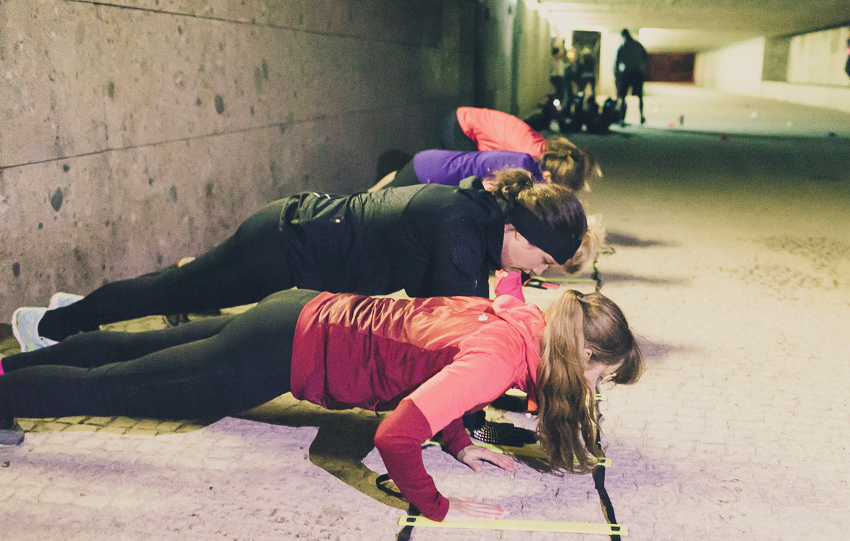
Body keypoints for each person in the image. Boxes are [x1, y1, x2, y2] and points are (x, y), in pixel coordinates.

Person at [0, 286, 644, 522]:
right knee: (121, 387)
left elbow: (441, 364)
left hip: (301, 310)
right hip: (281, 351)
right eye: (602, 374)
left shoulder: (526, 319)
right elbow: (395, 436)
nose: (595, 388)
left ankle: (9, 369)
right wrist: (438, 505)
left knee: (133, 352)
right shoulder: (500, 362)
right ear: (580, 353)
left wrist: (457, 442)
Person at [11, 170, 587, 353]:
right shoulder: (461, 231)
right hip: (286, 244)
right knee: (175, 291)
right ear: (516, 230)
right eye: (539, 258)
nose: (533, 271)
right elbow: (457, 331)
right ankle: (47, 324)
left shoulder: (479, 216)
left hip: (299, 242)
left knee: (178, 284)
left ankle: (74, 307)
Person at [436, 107, 602, 190]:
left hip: (465, 122)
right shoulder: (527, 156)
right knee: (466, 186)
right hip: (460, 129)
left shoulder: (541, 149)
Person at [372, 143, 598, 193]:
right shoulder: (524, 175)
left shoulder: (527, 163)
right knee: (370, 210)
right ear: (548, 176)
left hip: (431, 162)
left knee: (372, 197)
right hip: (431, 174)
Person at [615, 29, 649, 126]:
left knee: (622, 96)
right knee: (640, 96)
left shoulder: (623, 46)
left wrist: (617, 74)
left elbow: (617, 61)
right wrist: (642, 67)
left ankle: (622, 118)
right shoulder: (638, 45)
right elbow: (645, 56)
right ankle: (641, 116)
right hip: (637, 72)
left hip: (627, 73)